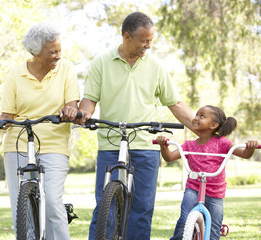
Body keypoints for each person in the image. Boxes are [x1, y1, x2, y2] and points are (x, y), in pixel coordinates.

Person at [73, 11, 196, 240]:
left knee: (141, 209)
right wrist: (85, 114)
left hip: (145, 144)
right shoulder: (102, 62)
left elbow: (175, 102)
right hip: (110, 142)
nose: (148, 46)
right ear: (127, 36)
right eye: (144, 41)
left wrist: (196, 125)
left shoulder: (156, 66)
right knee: (105, 208)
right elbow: (89, 99)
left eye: (151, 40)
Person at [0, 22, 80, 240]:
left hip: (54, 144)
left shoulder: (66, 70)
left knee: (53, 201)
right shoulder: (15, 76)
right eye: (52, 52)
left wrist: (71, 110)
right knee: (22, 207)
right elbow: (7, 117)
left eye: (59, 51)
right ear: (36, 52)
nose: (58, 56)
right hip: (18, 144)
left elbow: (72, 105)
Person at [155, 105, 258, 240]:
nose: (196, 118)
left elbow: (245, 154)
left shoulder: (223, 143)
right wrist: (164, 146)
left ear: (214, 125)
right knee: (185, 220)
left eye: (202, 116)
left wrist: (250, 148)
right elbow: (169, 157)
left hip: (215, 193)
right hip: (193, 188)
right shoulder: (188, 145)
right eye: (196, 114)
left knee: (213, 230)